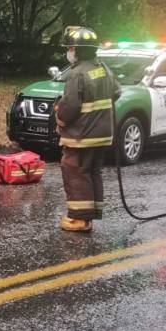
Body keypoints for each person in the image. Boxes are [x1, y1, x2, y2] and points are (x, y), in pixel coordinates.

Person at [54, 26, 121, 232]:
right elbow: (117, 91)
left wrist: (59, 115)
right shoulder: (103, 69)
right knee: (93, 172)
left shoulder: (78, 74)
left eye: (71, 47)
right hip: (101, 135)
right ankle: (90, 216)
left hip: (81, 136)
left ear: (78, 50)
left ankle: (80, 220)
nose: (70, 51)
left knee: (75, 172)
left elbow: (70, 107)